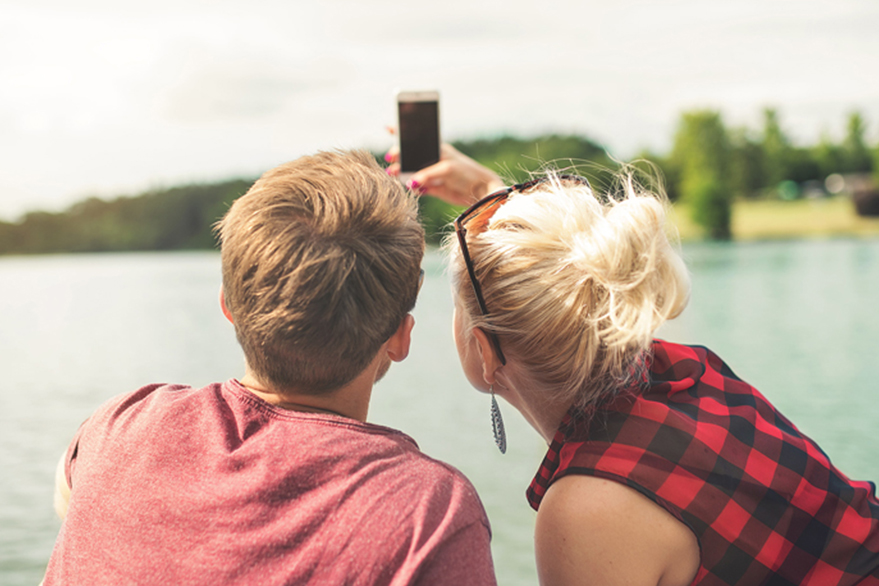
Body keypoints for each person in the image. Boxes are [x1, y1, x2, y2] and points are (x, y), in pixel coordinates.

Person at [386, 147, 879, 585]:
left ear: (486, 352)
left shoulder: (585, 512)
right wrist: (483, 191)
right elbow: (565, 283)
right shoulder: (686, 370)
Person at [44, 150, 497, 586]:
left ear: (228, 306)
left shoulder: (118, 426)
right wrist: (488, 190)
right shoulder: (430, 516)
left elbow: (75, 507)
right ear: (401, 337)